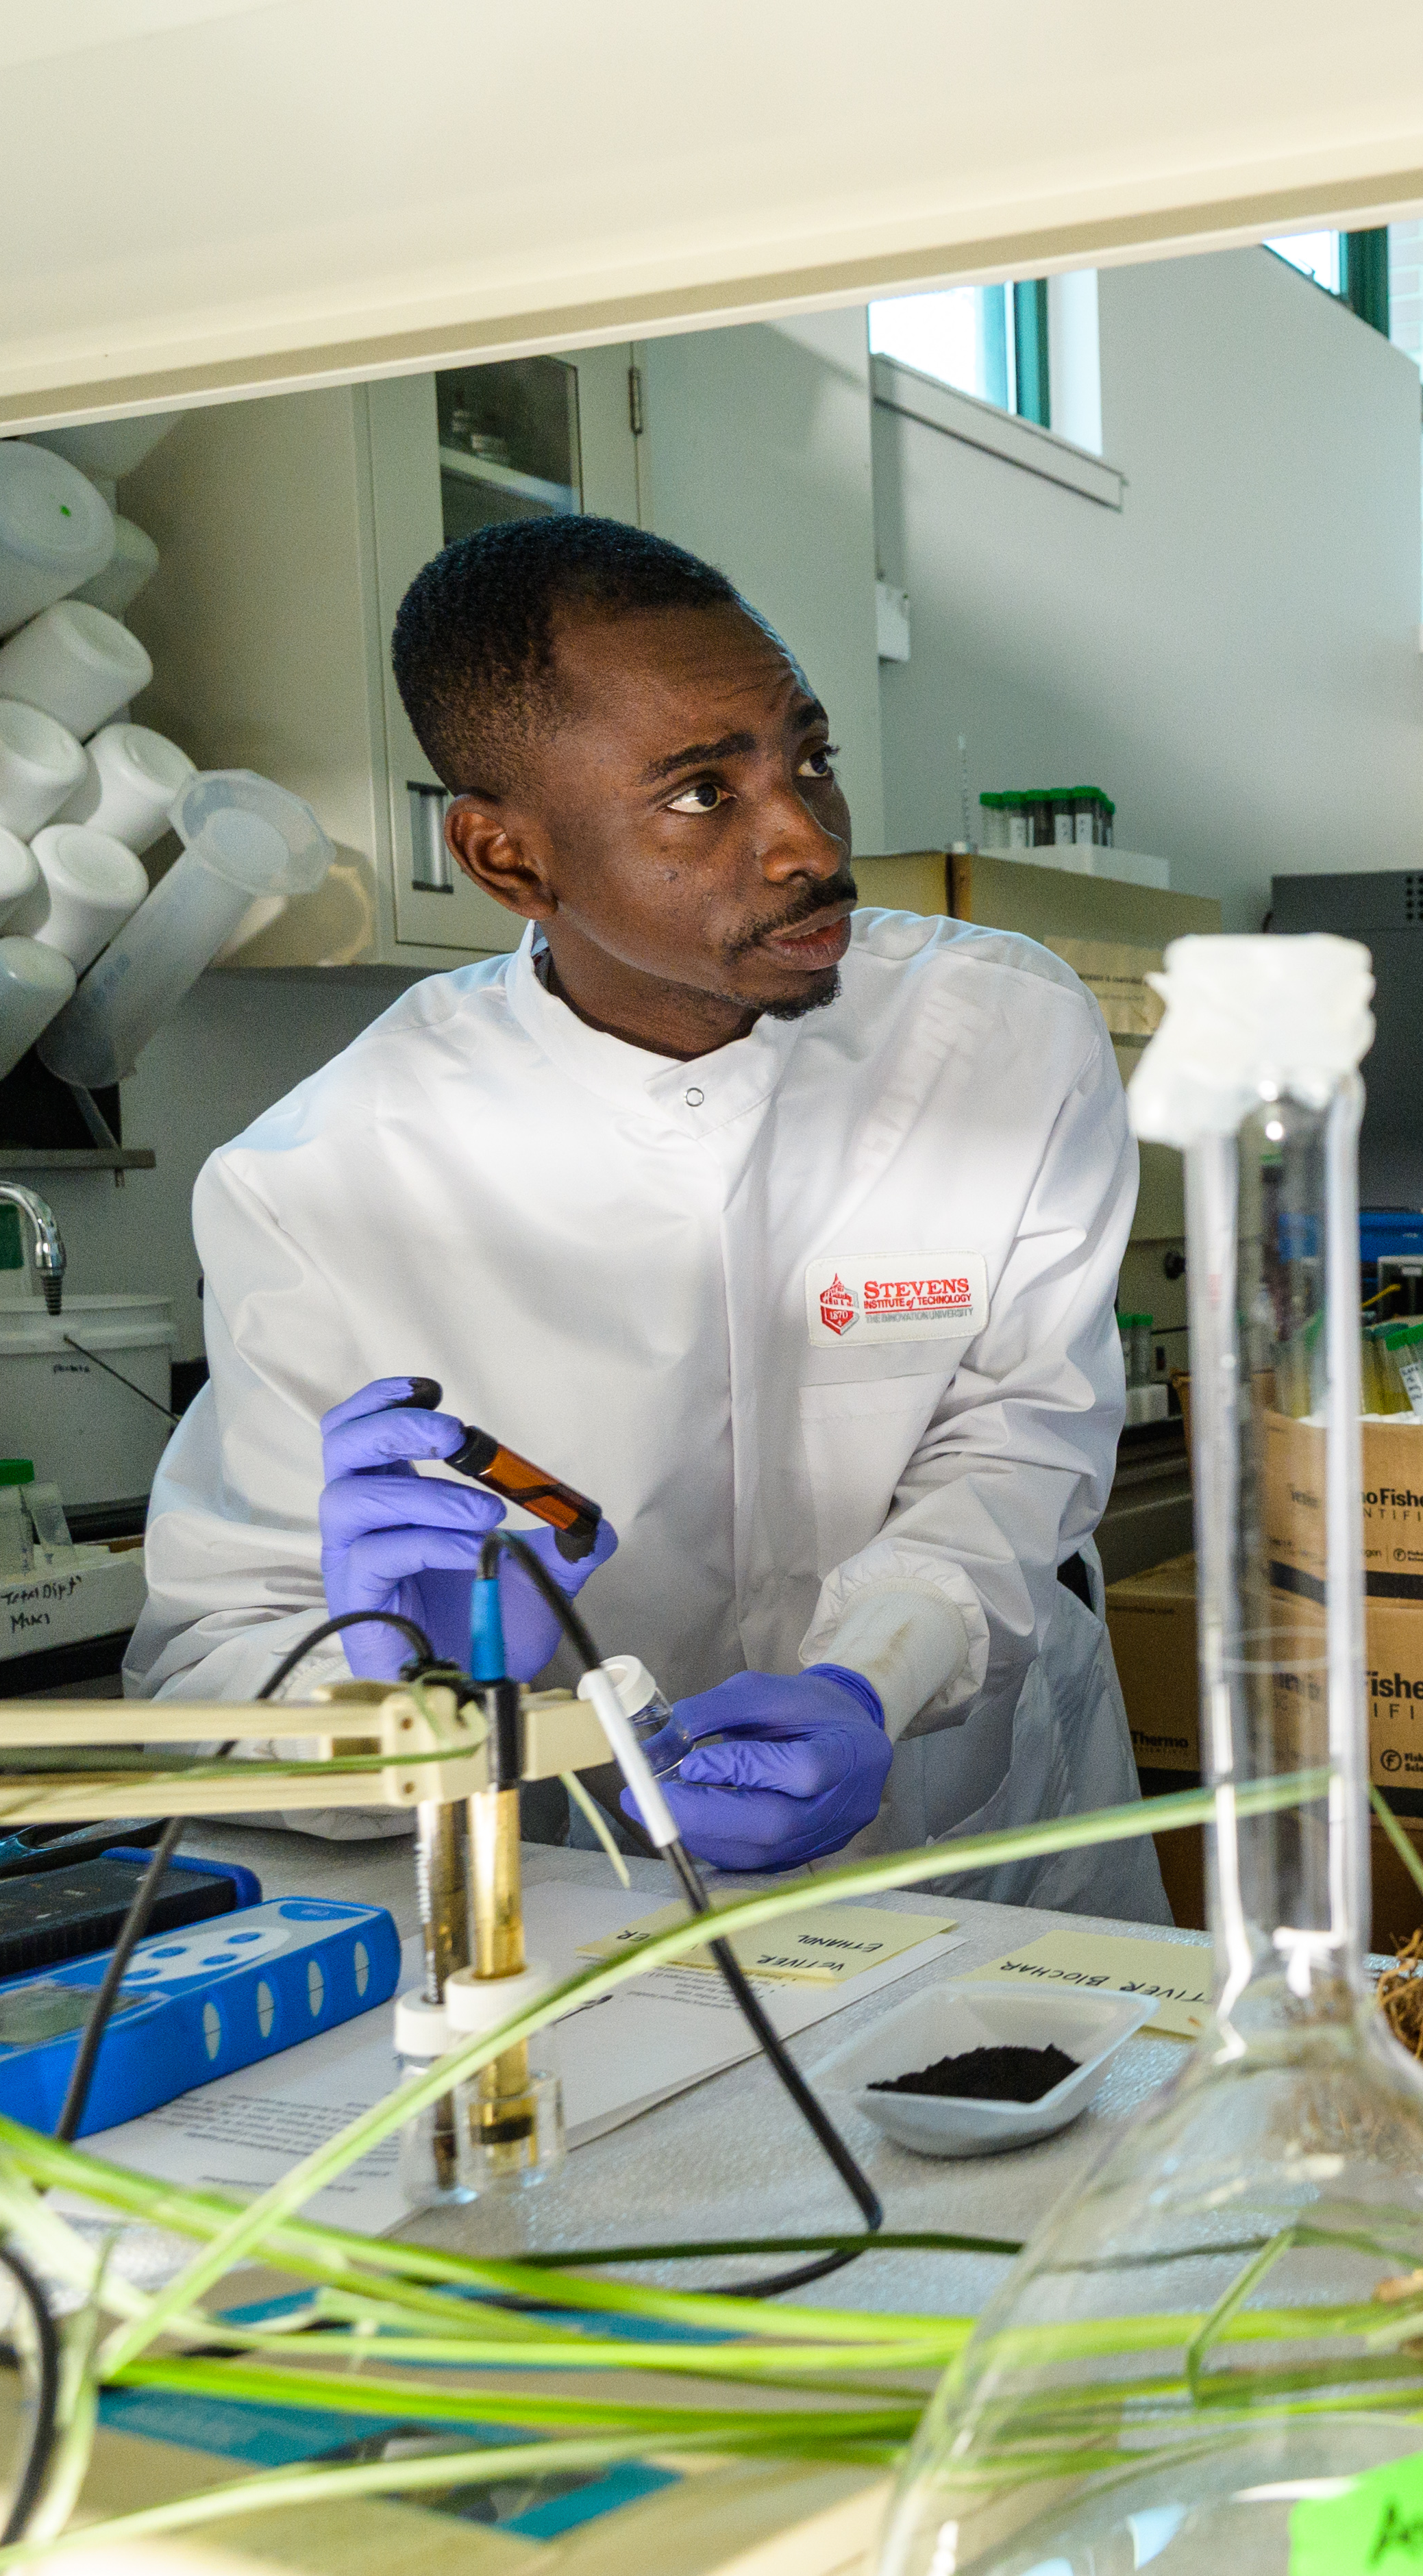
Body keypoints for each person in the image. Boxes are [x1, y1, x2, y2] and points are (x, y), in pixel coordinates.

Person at [133, 514, 1159, 1912]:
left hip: (982, 1835)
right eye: (700, 794)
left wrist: (873, 1677)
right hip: (595, 1902)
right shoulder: (329, 1177)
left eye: (807, 758)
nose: (806, 837)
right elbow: (217, 1666)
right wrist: (388, 1676)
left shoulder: (999, 1031)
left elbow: (1021, 1432)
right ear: (509, 861)